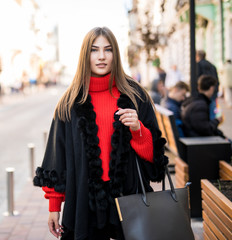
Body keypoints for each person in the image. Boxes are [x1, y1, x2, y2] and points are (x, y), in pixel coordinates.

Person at [33, 27, 168, 240]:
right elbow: (57, 157)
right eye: (94, 50)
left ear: (116, 54)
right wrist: (54, 206)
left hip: (129, 197)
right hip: (84, 202)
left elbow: (154, 159)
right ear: (85, 55)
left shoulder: (135, 95)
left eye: (108, 49)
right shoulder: (70, 102)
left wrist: (138, 130)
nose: (102, 56)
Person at [196, 50, 219, 119]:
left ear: (197, 56)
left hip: (202, 93)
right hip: (213, 92)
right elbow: (217, 80)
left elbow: (196, 78)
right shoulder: (212, 65)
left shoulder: (198, 65)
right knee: (212, 111)